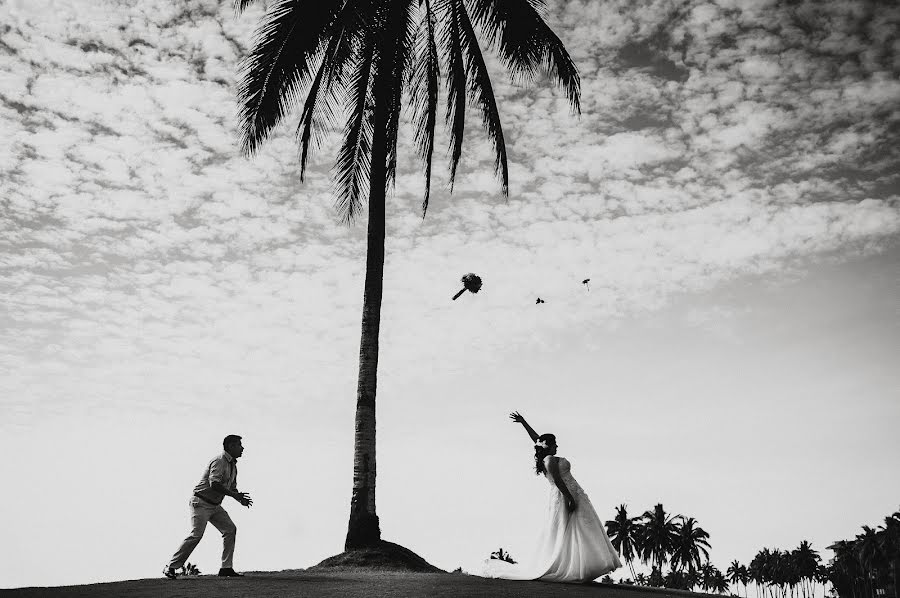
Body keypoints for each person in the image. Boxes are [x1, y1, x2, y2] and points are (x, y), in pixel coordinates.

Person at [482, 412, 621, 583]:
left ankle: (581, 566)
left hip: (574, 493)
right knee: (566, 530)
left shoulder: (548, 456)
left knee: (581, 528)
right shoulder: (549, 460)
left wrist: (524, 422)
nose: (557, 446)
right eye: (554, 443)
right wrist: (570, 498)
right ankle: (567, 567)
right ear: (548, 446)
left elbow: (536, 439)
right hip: (564, 495)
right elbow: (558, 481)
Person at [163, 435, 253, 579]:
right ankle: (171, 567)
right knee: (196, 535)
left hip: (215, 506)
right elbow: (214, 484)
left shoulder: (233, 466)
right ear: (231, 446)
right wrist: (234, 495)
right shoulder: (219, 461)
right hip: (200, 503)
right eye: (239, 445)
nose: (242, 448)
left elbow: (232, 488)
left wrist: (239, 499)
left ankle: (226, 568)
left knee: (230, 529)